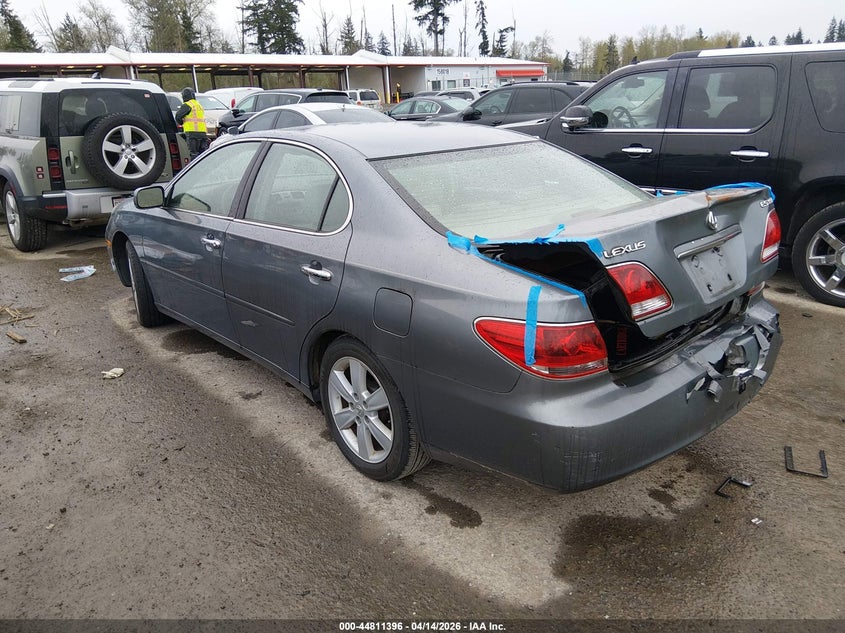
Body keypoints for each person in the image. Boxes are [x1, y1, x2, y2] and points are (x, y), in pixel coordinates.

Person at [174, 87, 209, 159]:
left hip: (192, 132)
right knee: (203, 154)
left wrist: (181, 123)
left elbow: (178, 116)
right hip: (203, 132)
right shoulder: (199, 105)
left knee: (194, 154)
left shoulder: (187, 105)